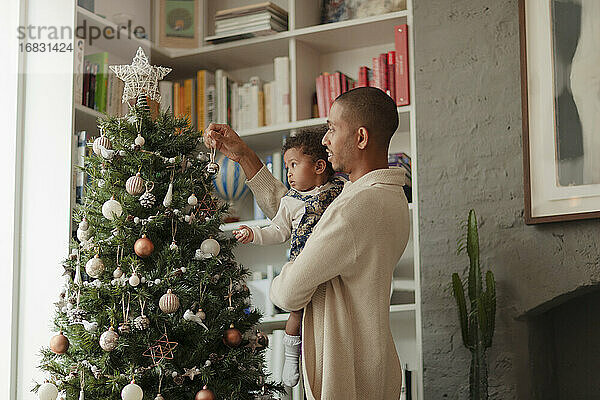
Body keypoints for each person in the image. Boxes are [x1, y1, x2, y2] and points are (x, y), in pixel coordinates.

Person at [204, 87, 409, 400]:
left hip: (344, 375)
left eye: (332, 128)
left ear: (361, 137)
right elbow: (301, 213)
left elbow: (288, 292)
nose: (325, 139)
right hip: (369, 363)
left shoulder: (354, 208)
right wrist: (244, 155)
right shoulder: (382, 196)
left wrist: (278, 281)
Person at [234, 129, 345, 387]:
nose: (289, 173)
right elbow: (278, 230)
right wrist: (254, 233)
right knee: (295, 315)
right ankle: (291, 356)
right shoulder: (290, 202)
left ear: (319, 166)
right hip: (301, 264)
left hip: (332, 265)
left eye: (294, 165)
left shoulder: (340, 191)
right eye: (287, 167)